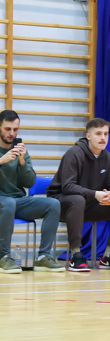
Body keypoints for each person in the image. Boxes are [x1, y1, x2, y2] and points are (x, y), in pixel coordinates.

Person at [47, 118, 110, 271]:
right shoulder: (74, 154)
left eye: (106, 134)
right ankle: (76, 256)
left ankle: (109, 255)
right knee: (77, 200)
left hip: (89, 205)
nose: (103, 138)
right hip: (61, 204)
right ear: (88, 136)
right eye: (98, 134)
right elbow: (68, 187)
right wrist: (95, 194)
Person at [0, 110, 64, 273]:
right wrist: (1, 161)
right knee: (8, 203)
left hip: (17, 201)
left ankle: (43, 256)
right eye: (7, 129)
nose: (12, 133)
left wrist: (22, 163)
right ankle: (3, 256)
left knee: (53, 204)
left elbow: (29, 182)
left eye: (15, 129)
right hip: (3, 201)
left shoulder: (21, 151)